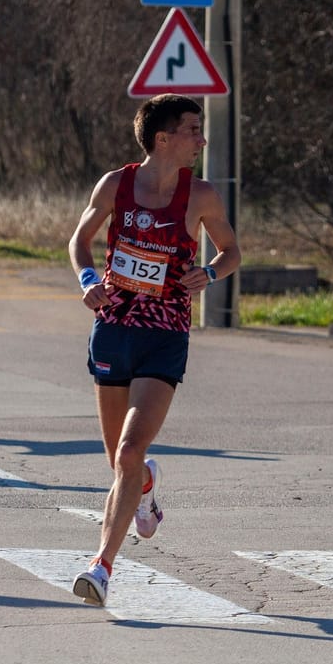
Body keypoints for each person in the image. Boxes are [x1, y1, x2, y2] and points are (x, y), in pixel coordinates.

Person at [67, 93, 241, 606]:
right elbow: (79, 240)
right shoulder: (115, 185)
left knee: (128, 450)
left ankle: (101, 567)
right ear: (163, 138)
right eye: (193, 130)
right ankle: (144, 486)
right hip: (113, 328)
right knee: (120, 462)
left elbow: (231, 252)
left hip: (165, 333)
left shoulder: (200, 195)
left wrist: (208, 272)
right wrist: (87, 280)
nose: (202, 140)